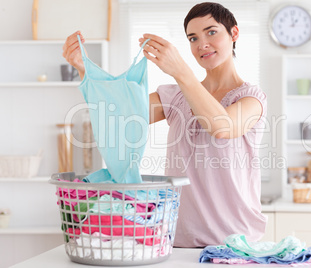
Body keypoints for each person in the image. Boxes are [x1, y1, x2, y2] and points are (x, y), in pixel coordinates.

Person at [62, 2, 267, 247]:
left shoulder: (251, 98)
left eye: (211, 32)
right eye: (193, 38)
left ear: (233, 33)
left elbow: (221, 126)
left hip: (236, 242)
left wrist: (181, 71)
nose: (202, 44)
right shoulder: (175, 97)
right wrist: (85, 70)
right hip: (177, 240)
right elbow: (118, 116)